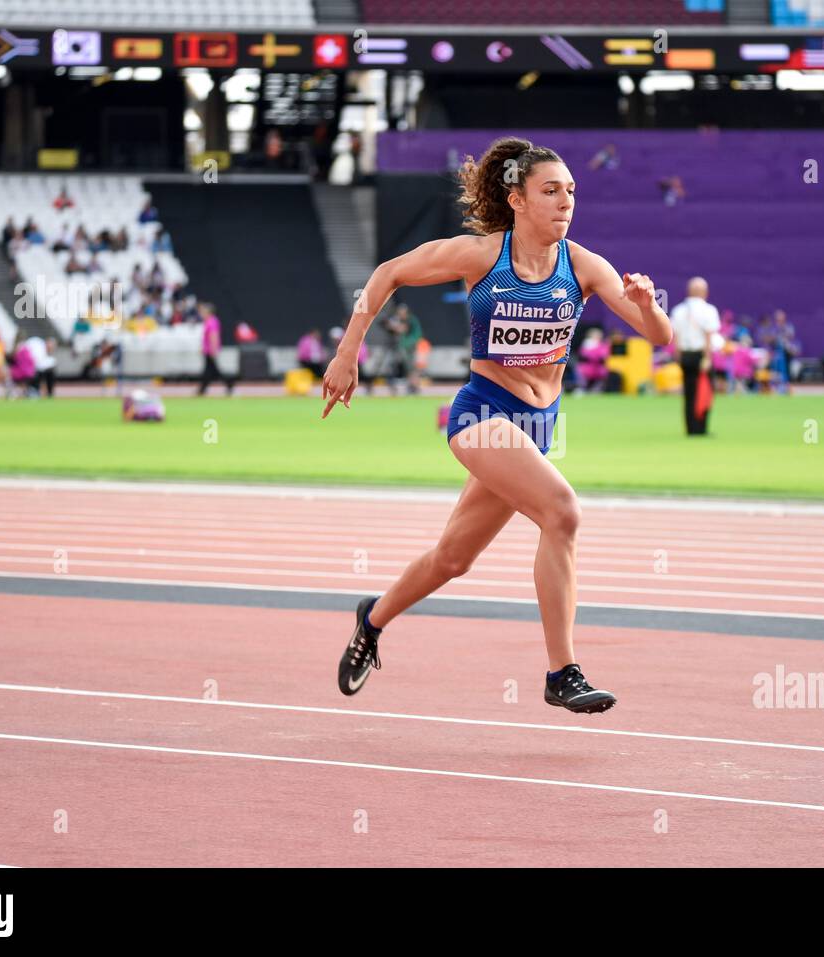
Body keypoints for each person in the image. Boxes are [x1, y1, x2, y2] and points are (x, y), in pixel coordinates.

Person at [321, 136, 672, 714]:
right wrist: (347, 351)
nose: (565, 202)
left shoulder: (584, 265)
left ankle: (373, 619)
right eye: (551, 191)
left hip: (537, 426)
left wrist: (646, 302)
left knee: (453, 559)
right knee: (562, 510)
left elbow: (658, 337)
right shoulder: (482, 256)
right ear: (517, 199)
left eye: (571, 192)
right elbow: (387, 274)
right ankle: (563, 672)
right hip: (482, 414)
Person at [670, 277, 719, 435]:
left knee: (689, 393)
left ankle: (690, 428)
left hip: (685, 355)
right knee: (705, 391)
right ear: (705, 292)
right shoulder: (708, 310)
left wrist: (678, 356)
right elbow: (708, 336)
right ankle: (701, 427)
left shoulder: (678, 310)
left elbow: (674, 336)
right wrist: (707, 358)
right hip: (700, 355)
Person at [197, 302, 234, 396]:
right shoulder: (208, 321)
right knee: (211, 372)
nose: (201, 313)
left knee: (212, 372)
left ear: (208, 312)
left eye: (203, 311)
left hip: (210, 351)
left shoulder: (212, 321)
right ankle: (203, 389)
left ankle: (229, 383)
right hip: (207, 350)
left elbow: (214, 336)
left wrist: (213, 350)